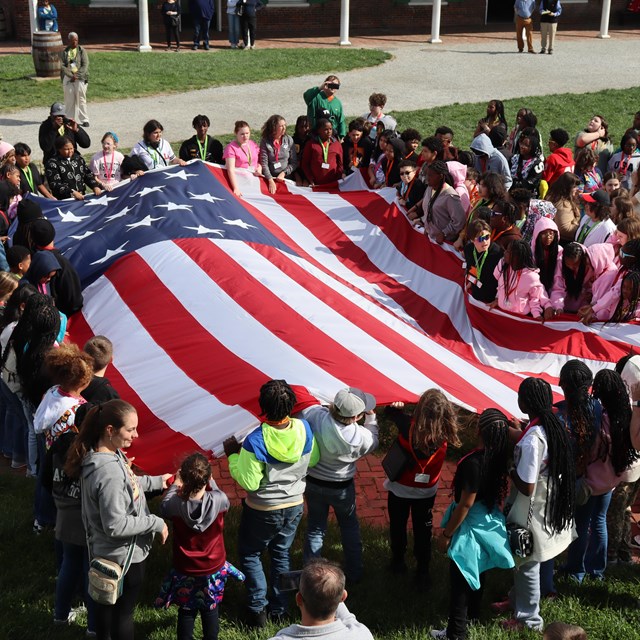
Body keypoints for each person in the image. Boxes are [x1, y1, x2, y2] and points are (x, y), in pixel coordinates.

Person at [65, 399, 171, 640]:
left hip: (108, 554)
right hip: (123, 559)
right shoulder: (109, 471)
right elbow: (116, 525)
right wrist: (156, 522)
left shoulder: (108, 454)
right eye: (130, 429)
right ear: (110, 430)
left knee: (105, 614)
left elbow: (128, 485)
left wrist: (156, 482)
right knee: (122, 617)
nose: (136, 434)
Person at [222, 379, 319, 627]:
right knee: (281, 553)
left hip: (263, 509)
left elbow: (250, 482)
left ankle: (257, 611)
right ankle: (280, 608)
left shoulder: (255, 441)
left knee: (251, 553)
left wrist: (234, 455)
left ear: (262, 407)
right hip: (294, 503)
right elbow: (314, 459)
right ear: (291, 406)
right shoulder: (304, 429)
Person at [431, 409, 515, 640]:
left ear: (479, 431)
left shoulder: (473, 463)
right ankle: (474, 616)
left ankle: (456, 633)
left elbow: (465, 505)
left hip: (469, 525)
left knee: (460, 579)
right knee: (478, 569)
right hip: (487, 519)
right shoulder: (498, 457)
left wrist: (448, 534)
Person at [499, 377, 575, 632]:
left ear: (525, 402)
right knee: (526, 560)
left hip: (529, 506)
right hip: (547, 501)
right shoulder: (551, 426)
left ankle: (528, 620)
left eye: (520, 396)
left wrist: (510, 467)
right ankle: (515, 599)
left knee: (527, 562)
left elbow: (527, 485)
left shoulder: (533, 440)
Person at [156, 452, 244, 640]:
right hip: (213, 567)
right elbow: (223, 498)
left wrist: (175, 484)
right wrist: (211, 482)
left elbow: (163, 506)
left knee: (187, 609)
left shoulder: (174, 504)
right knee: (210, 608)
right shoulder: (219, 501)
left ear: (184, 478)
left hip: (185, 567)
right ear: (208, 478)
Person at [563, 366, 638, 583]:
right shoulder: (622, 418)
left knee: (580, 525)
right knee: (599, 521)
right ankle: (597, 570)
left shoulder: (596, 417)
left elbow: (587, 451)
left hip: (590, 483)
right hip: (609, 481)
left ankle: (576, 570)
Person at [298, 387, 378, 583]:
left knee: (316, 527)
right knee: (349, 526)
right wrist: (372, 419)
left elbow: (305, 408)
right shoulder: (362, 437)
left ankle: (310, 574)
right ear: (357, 416)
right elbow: (374, 439)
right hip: (341, 487)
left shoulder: (316, 416)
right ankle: (355, 571)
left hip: (314, 482)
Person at [383, 390, 460, 590]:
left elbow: (389, 411)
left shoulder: (407, 425)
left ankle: (398, 562)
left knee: (398, 525)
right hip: (426, 492)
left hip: (400, 488)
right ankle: (423, 571)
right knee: (423, 529)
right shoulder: (447, 432)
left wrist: (399, 406)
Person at [266, 559, 373, 640]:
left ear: (298, 599)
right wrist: (329, 588)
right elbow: (348, 618)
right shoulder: (361, 634)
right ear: (343, 597)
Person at [548, 241, 616, 316]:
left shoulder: (593, 264)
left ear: (581, 259)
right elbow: (558, 287)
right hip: (564, 308)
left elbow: (597, 289)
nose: (571, 268)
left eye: (575, 265)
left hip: (583, 310)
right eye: (568, 265)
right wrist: (558, 306)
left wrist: (590, 294)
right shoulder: (561, 262)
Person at [490, 239, 548, 318]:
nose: (504, 253)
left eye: (508, 252)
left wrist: (536, 313)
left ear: (517, 257)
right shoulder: (503, 264)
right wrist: (497, 299)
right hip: (503, 312)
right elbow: (501, 286)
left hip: (519, 317)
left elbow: (535, 297)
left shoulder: (531, 277)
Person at [411, 161, 466, 244]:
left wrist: (444, 233)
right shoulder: (429, 188)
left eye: (430, 175)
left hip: (443, 242)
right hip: (430, 237)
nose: (427, 178)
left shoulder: (450, 196)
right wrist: (424, 222)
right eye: (426, 175)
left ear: (440, 176)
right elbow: (429, 210)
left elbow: (459, 221)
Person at [45, 135, 103, 201]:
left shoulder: (78, 159)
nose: (70, 151)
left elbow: (87, 174)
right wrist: (72, 192)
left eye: (71, 148)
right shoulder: (53, 163)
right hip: (64, 200)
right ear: (59, 149)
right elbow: (55, 184)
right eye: (66, 149)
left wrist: (94, 186)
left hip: (81, 196)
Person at [464, 219, 503, 303]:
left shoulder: (498, 253)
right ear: (472, 240)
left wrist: (497, 299)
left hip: (491, 299)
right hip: (475, 293)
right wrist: (471, 282)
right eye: (480, 239)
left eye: (487, 237)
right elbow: (471, 267)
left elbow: (503, 280)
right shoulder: (468, 249)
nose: (485, 241)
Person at [259, 114, 298, 195]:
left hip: (286, 178)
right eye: (281, 126)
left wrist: (284, 173)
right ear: (273, 128)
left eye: (285, 125)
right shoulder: (265, 141)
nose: (284, 128)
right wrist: (270, 179)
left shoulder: (288, 139)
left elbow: (294, 162)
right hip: (270, 178)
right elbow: (264, 163)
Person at [223, 120, 262, 197]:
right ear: (236, 133)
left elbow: (258, 161)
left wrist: (259, 168)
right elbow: (230, 170)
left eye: (247, 133)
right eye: (242, 134)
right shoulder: (231, 148)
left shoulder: (252, 144)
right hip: (240, 182)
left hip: (254, 181)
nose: (245, 136)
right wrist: (235, 188)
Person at [301, 119, 343, 187]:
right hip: (315, 183)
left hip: (333, 183)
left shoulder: (337, 144)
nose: (329, 132)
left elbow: (340, 164)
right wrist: (310, 179)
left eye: (330, 129)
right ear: (318, 130)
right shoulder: (311, 144)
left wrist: (338, 179)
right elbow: (305, 164)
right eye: (326, 129)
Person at [60, 32, 90, 127]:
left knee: (81, 99)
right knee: (69, 100)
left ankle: (84, 119)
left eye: (76, 40)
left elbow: (85, 65)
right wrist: (70, 75)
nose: (75, 42)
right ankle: (69, 119)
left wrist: (77, 75)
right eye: (73, 41)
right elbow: (63, 66)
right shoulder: (65, 52)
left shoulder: (82, 51)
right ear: (69, 41)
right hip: (69, 78)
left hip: (80, 78)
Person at [303, 76, 346, 140]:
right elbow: (306, 96)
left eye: (335, 86)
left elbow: (341, 121)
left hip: (332, 136)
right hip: (316, 135)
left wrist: (342, 136)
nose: (333, 88)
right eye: (331, 85)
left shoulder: (337, 103)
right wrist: (320, 88)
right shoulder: (316, 97)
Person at [545, 173, 581, 244]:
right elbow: (565, 228)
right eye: (574, 187)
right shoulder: (563, 204)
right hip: (563, 242)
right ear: (567, 188)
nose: (577, 189)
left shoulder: (555, 197)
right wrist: (581, 230)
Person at [531, 216, 561, 296]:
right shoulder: (531, 252)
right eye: (544, 233)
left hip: (555, 290)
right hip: (536, 290)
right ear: (537, 235)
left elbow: (559, 277)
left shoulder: (560, 251)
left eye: (551, 233)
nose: (548, 237)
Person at [510, 128, 545, 195]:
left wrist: (515, 184)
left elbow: (532, 182)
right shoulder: (514, 158)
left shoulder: (537, 163)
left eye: (526, 145)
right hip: (510, 191)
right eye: (522, 143)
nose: (522, 146)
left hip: (527, 195)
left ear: (532, 148)